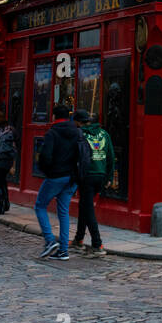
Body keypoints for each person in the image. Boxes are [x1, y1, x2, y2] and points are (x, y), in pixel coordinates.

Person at [34, 105, 81, 260]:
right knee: (63, 212)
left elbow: (46, 156)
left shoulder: (52, 133)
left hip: (56, 176)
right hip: (72, 178)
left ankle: (49, 240)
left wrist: (47, 172)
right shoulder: (77, 132)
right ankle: (63, 251)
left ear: (54, 116)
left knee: (40, 205)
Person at [70, 108, 114, 257]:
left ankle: (97, 244)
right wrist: (109, 178)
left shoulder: (80, 134)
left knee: (88, 209)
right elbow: (110, 157)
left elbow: (75, 157)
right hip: (100, 175)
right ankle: (79, 239)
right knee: (85, 205)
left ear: (77, 122)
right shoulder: (104, 134)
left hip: (87, 175)